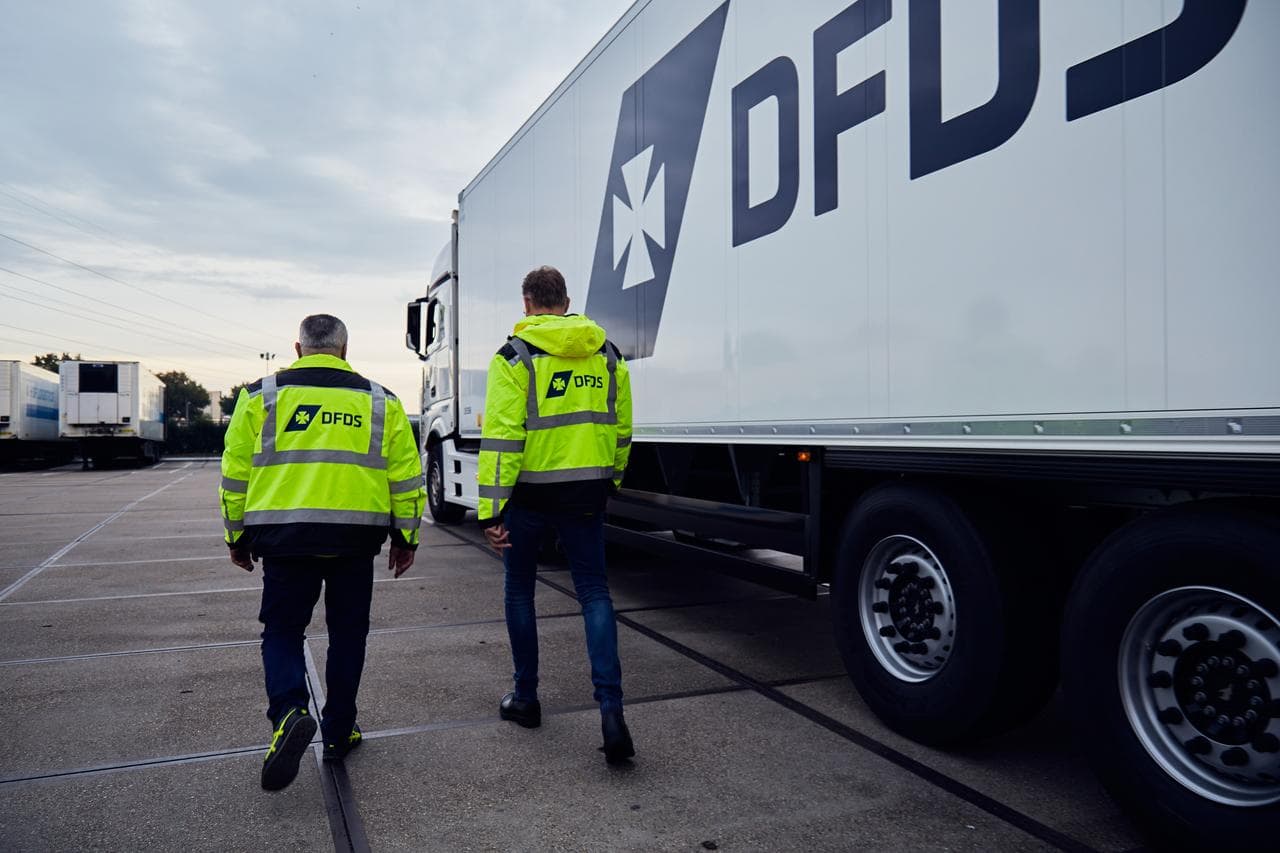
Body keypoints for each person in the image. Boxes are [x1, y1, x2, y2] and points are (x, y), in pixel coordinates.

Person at [219, 314, 426, 791]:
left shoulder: (260, 397)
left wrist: (236, 535)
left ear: (297, 348)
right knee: (348, 635)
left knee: (283, 631)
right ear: (344, 350)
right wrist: (407, 537)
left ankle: (290, 712)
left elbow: (234, 474)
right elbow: (406, 476)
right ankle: (338, 731)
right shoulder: (381, 401)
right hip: (355, 541)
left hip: (285, 540)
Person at [477, 265, 635, 763]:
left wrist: (491, 510)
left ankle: (526, 698)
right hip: (587, 493)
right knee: (594, 593)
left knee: (520, 592)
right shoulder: (608, 355)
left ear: (527, 304)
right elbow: (623, 427)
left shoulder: (514, 356)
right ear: (566, 300)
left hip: (529, 498)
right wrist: (612, 479)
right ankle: (611, 709)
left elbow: (502, 438)